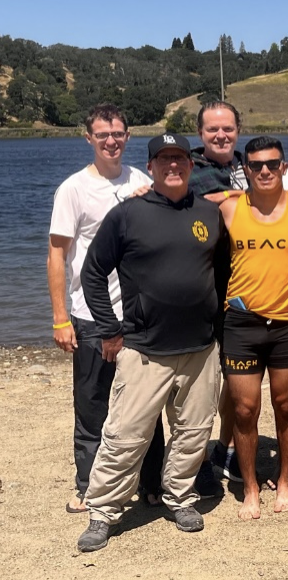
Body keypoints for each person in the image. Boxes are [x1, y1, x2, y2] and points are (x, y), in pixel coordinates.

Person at [76, 133, 229, 552]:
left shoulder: (208, 214)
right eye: (164, 159)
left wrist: (218, 332)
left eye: (179, 157)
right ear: (152, 166)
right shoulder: (127, 215)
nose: (173, 165)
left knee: (193, 433)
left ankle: (178, 497)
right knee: (125, 435)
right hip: (144, 350)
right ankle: (103, 511)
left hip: (200, 349)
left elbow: (221, 274)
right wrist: (110, 329)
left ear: (191, 165)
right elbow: (92, 273)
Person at [48, 103, 165, 513]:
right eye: (103, 135)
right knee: (93, 405)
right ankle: (88, 486)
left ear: (127, 137)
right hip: (91, 316)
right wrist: (61, 318)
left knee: (147, 404)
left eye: (118, 134)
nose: (111, 142)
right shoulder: (74, 189)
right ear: (89, 139)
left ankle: (152, 483)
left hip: (139, 315)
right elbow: (56, 256)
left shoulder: (143, 180)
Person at [219, 136, 288, 520]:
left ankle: (284, 482)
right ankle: (249, 488)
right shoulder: (230, 210)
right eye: (256, 165)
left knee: (286, 405)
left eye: (272, 164)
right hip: (242, 324)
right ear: (244, 170)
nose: (264, 170)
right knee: (245, 409)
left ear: (284, 167)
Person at [187, 100, 245, 496]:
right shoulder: (186, 169)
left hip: (244, 289)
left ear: (238, 130)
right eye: (212, 130)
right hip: (202, 288)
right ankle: (195, 462)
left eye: (227, 128)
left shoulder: (255, 165)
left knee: (238, 377)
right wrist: (229, 200)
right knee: (197, 384)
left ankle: (224, 448)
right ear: (200, 134)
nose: (221, 135)